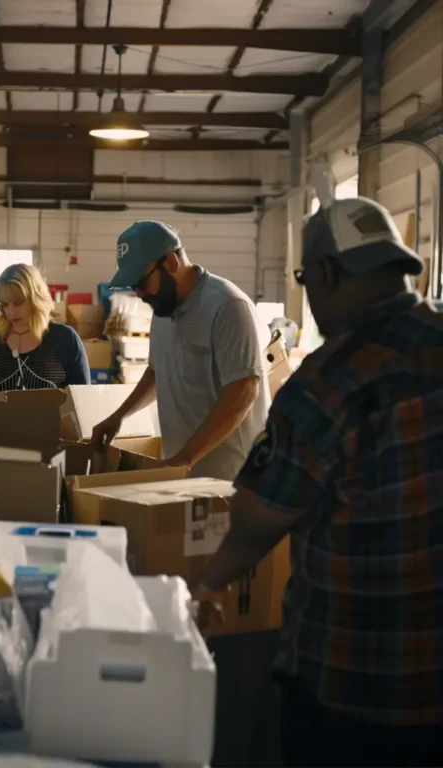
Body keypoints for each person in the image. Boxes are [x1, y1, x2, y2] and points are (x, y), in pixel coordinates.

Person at [194, 197, 443, 767]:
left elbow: (259, 516)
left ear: (325, 274)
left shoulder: (329, 379)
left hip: (355, 685)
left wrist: (208, 583)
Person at [91, 220, 270, 480]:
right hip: (183, 473)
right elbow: (157, 371)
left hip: (231, 478)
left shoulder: (228, 307)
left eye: (141, 282)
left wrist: (185, 458)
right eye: (132, 286)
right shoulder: (163, 307)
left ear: (172, 263)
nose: (138, 293)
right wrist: (119, 416)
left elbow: (243, 390)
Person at [0, 263, 90, 399]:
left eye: (18, 302)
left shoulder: (65, 339)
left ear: (36, 298)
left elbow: (83, 399)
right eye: (5, 304)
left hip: (52, 420)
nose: (11, 311)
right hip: (3, 420)